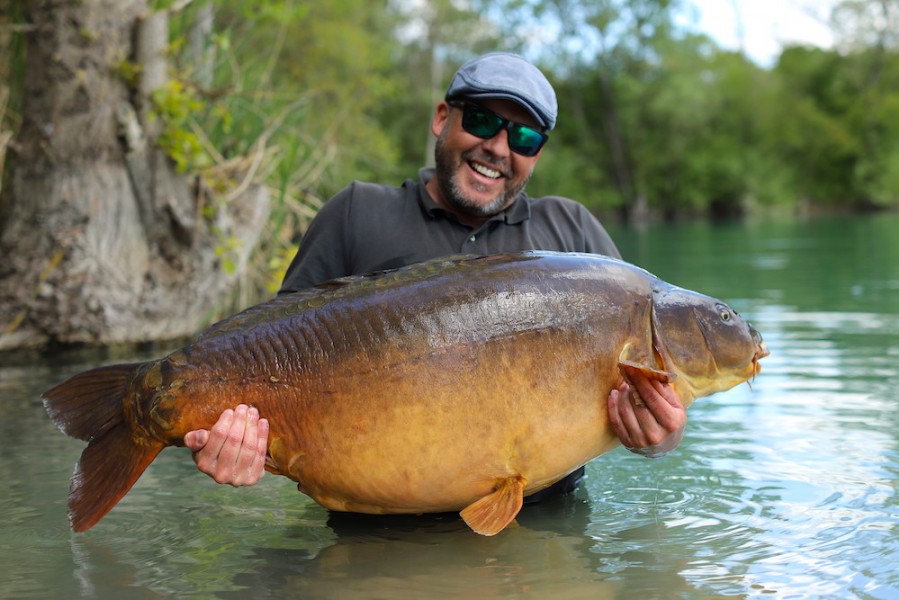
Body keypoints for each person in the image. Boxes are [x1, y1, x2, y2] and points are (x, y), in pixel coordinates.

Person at [183, 52, 687, 497]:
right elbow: (270, 359)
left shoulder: (575, 236)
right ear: (442, 117)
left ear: (536, 155)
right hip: (372, 537)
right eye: (484, 120)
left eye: (525, 137)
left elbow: (659, 425)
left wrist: (659, 436)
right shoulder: (359, 213)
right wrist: (237, 440)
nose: (498, 147)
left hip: (543, 532)